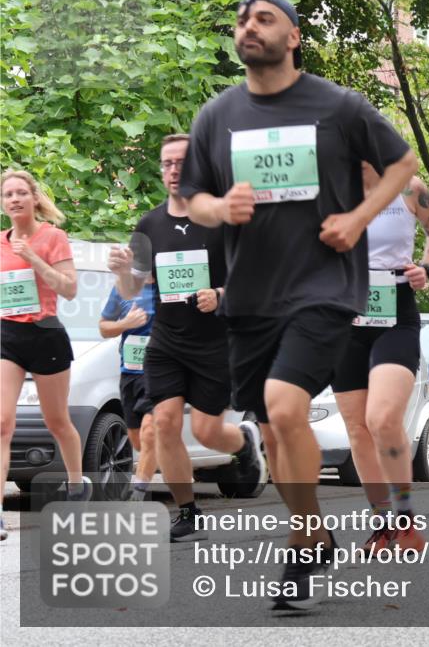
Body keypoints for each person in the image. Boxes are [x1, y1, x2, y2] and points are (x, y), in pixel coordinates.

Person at [182, 0, 417, 610]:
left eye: (265, 18)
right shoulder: (217, 115)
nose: (249, 27)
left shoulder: (337, 105)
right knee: (271, 427)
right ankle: (312, 529)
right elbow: (193, 196)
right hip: (252, 297)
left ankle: (305, 534)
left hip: (324, 287)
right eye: (242, 19)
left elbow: (401, 162)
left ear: (293, 37)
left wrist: (360, 218)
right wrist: (219, 207)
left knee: (286, 408)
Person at [108, 133, 264, 542]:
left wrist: (222, 295)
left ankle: (244, 442)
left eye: (183, 162)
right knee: (163, 421)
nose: (174, 170)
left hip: (214, 343)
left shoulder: (224, 220)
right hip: (167, 341)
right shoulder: (149, 224)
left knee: (210, 432)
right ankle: (189, 512)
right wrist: (121, 270)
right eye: (167, 164)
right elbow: (130, 290)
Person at [332, 164, 429, 554]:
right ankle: (381, 524)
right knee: (357, 428)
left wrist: (426, 268)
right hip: (344, 313)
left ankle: (406, 518)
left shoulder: (409, 189)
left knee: (381, 418)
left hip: (395, 310)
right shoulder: (327, 190)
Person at [1, 169, 87, 543]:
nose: (15, 199)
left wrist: (34, 257)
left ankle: (75, 483)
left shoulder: (53, 237)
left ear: (35, 198)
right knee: (2, 422)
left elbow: (69, 290)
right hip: (8, 334)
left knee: (57, 422)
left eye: (21, 192)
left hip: (46, 333)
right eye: (8, 194)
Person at [98, 279, 158, 499]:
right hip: (130, 372)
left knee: (151, 431)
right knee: (136, 439)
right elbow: (104, 327)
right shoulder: (123, 287)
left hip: (161, 372)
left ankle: (138, 493)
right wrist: (126, 323)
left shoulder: (168, 287)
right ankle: (166, 456)